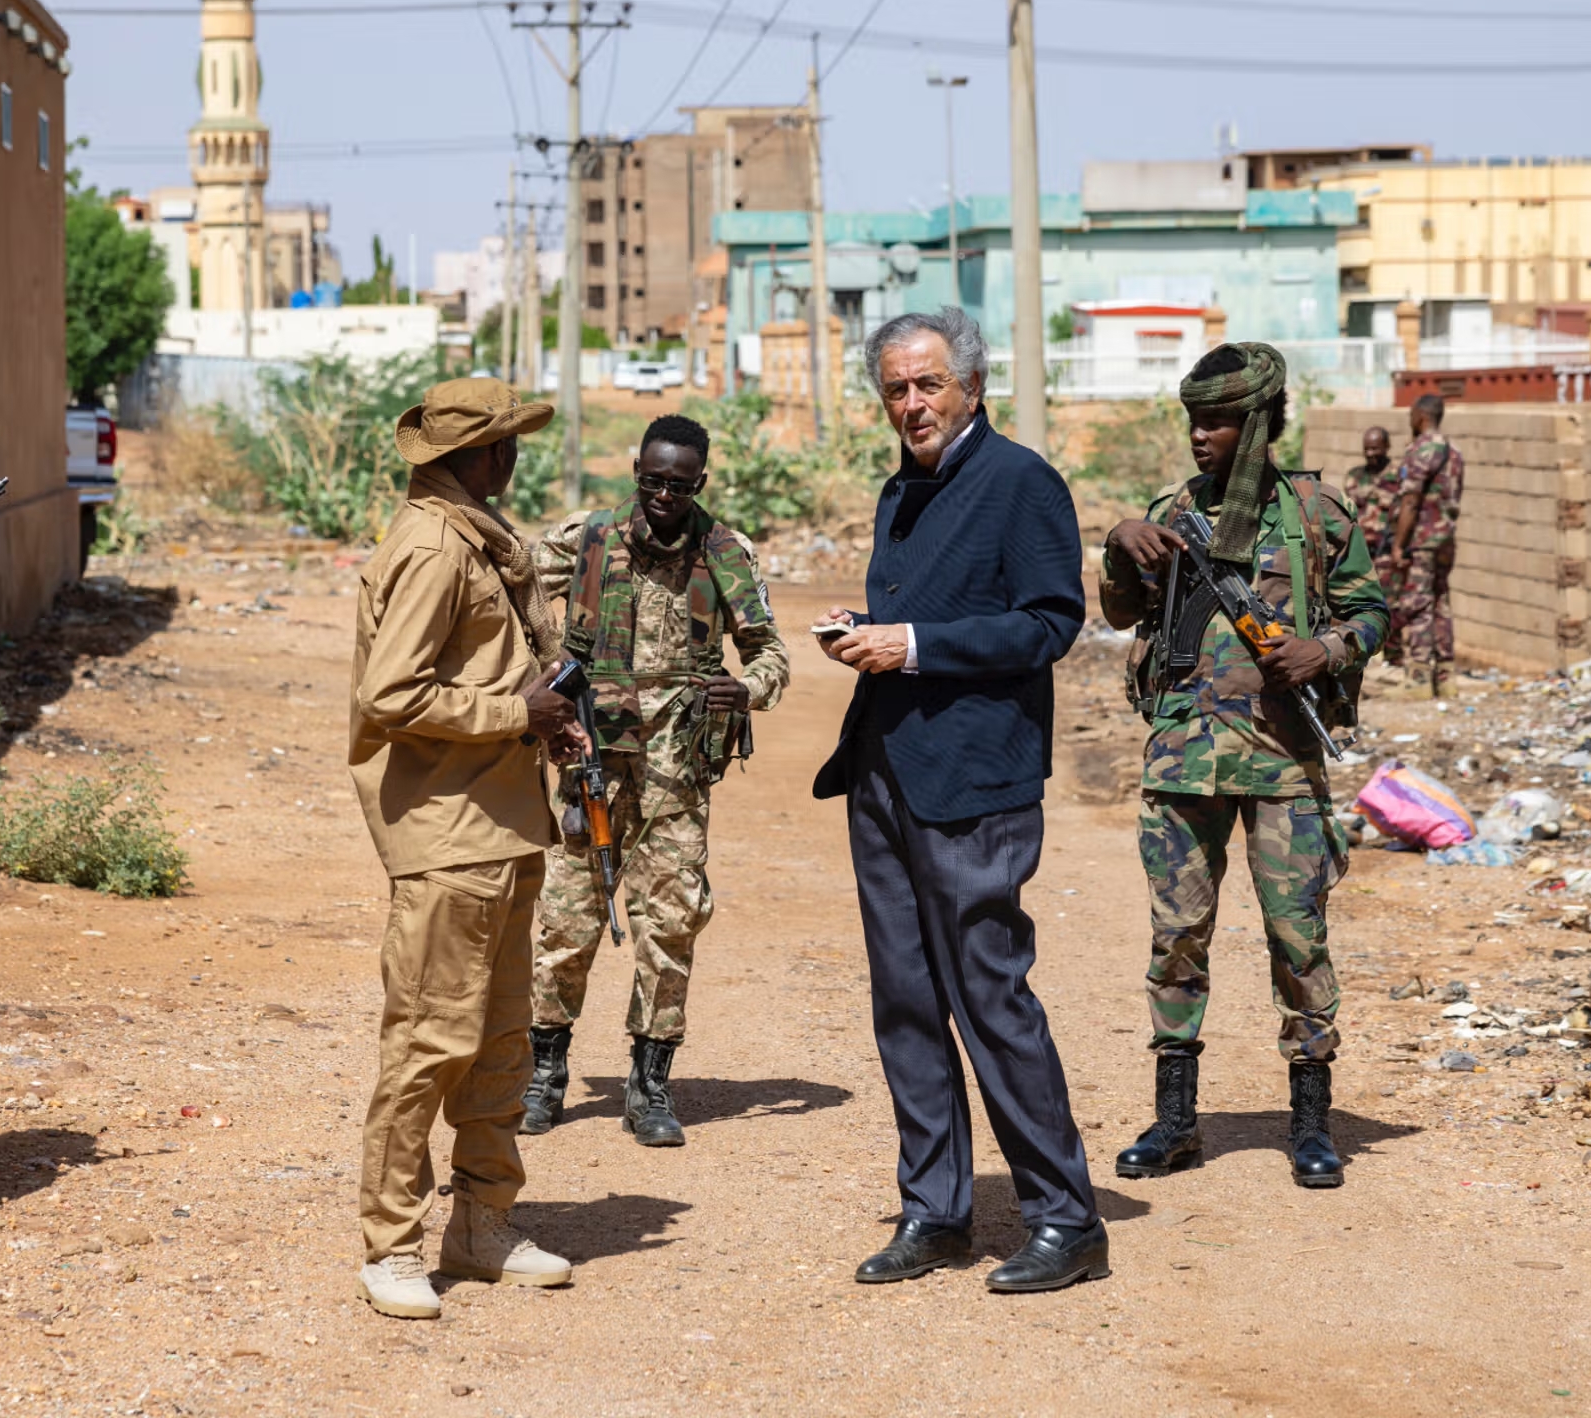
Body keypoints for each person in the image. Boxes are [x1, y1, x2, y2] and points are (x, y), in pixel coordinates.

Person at [810, 307, 1107, 1295]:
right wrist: (869, 630)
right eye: (895, 389)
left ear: (973, 386)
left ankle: (1066, 1220)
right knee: (905, 1003)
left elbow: (1049, 622)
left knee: (989, 997)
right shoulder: (904, 486)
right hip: (887, 773)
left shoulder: (1021, 481)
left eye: (928, 384)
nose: (912, 404)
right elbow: (931, 611)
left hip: (974, 785)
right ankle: (935, 1213)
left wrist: (914, 646)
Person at [1097, 342, 1389, 1191]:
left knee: (1298, 938)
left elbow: (1372, 610)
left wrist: (1324, 649)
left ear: (1260, 424)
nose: (1200, 436)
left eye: (1218, 422)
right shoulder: (1171, 511)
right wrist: (1118, 545)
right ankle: (1176, 1122)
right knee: (1177, 939)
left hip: (1282, 763)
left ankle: (1310, 1122)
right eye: (1194, 420)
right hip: (1182, 761)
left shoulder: (1315, 512)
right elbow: (1120, 612)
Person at [348, 377, 585, 1320]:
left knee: (498, 1043)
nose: (516, 455)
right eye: (508, 440)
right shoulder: (433, 549)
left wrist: (546, 718)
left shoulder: (481, 540)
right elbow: (390, 695)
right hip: (448, 834)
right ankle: (392, 1246)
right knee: (429, 1041)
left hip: (502, 821)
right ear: (480, 454)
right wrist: (515, 713)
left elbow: (486, 669)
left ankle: (483, 1225)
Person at [519, 414, 790, 1148]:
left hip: (677, 775)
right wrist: (542, 675)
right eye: (653, 480)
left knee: (671, 924)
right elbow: (512, 598)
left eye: (680, 484)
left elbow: (770, 652)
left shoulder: (725, 551)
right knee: (565, 921)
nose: (664, 495)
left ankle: (650, 1084)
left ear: (700, 481)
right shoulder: (584, 540)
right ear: (636, 471)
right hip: (591, 762)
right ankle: (544, 1074)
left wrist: (747, 689)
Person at [1380, 394, 1464, 699]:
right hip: (1445, 540)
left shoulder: (1421, 450)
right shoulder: (1454, 452)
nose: (1410, 420)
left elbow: (1411, 502)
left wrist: (1398, 545)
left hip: (1422, 541)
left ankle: (1418, 680)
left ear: (1422, 416)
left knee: (1417, 606)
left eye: (1412, 414)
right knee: (1441, 603)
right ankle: (1446, 677)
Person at [1343, 426, 1398, 562]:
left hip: (1386, 554)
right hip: (1358, 552)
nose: (1369, 453)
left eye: (1374, 448)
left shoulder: (1399, 477)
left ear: (1387, 446)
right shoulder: (1353, 477)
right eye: (1366, 449)